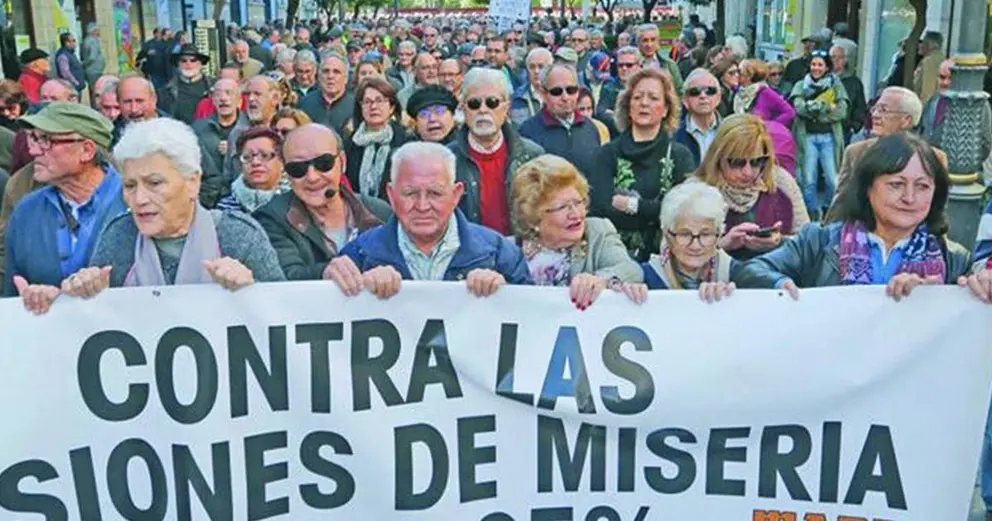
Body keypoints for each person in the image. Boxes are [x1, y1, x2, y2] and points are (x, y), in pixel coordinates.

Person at [49, 118, 284, 308]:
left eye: (154, 183)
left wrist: (251, 291)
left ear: (192, 183)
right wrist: (83, 293)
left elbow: (281, 316)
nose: (139, 199)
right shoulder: (119, 235)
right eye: (130, 185)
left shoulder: (240, 236)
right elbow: (94, 321)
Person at [736, 132, 971, 301]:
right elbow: (750, 271)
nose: (910, 198)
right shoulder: (819, 242)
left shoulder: (955, 260)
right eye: (896, 185)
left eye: (922, 187)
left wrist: (933, 296)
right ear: (868, 187)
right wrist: (783, 286)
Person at [325, 141, 532, 299]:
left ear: (456, 195)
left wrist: (503, 293)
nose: (422, 206)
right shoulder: (359, 256)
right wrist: (341, 281)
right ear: (391, 195)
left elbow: (533, 321)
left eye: (435, 193)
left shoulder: (499, 255)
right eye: (410, 193)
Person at [4, 102, 125, 311]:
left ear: (86, 150)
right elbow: (12, 295)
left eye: (46, 140)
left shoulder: (132, 202)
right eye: (33, 138)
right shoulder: (26, 211)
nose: (33, 150)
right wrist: (33, 298)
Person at [254, 124, 389, 281]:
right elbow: (284, 277)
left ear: (342, 162)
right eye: (297, 169)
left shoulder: (380, 212)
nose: (312, 177)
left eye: (324, 163)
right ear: (287, 174)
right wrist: (324, 272)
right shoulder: (271, 219)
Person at [590, 68, 696, 262]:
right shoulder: (607, 154)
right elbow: (600, 210)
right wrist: (656, 211)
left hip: (667, 261)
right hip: (616, 258)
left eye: (653, 98)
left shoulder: (680, 155)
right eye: (637, 97)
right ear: (628, 106)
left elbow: (682, 212)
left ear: (666, 109)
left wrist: (633, 205)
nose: (644, 103)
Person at [510, 154, 642, 308]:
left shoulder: (597, 231)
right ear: (533, 217)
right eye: (562, 207)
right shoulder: (509, 249)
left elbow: (631, 270)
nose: (576, 214)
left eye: (578, 202)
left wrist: (601, 280)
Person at [692, 115, 808, 261]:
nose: (747, 172)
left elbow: (807, 242)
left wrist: (780, 243)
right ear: (718, 157)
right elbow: (676, 254)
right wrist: (722, 245)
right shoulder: (695, 191)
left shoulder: (780, 181)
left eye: (757, 162)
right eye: (736, 162)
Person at [827, 86, 950, 221]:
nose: (875, 115)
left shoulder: (933, 157)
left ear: (906, 120)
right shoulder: (856, 152)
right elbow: (840, 201)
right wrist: (828, 230)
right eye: (874, 109)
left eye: (883, 110)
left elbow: (938, 208)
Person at [449, 67, 543, 236]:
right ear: (463, 108)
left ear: (507, 108)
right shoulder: (447, 160)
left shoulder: (532, 156)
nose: (483, 110)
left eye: (492, 102)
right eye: (474, 103)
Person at [636, 181, 738, 302]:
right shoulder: (643, 277)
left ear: (719, 234)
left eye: (705, 234)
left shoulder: (735, 272)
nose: (695, 246)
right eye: (685, 234)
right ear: (667, 234)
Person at [790, 49, 849, 218]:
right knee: (808, 179)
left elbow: (841, 112)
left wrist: (817, 112)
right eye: (813, 64)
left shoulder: (836, 85)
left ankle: (830, 212)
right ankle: (812, 214)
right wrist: (826, 108)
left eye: (820, 65)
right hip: (807, 138)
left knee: (832, 179)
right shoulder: (801, 85)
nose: (816, 68)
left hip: (828, 138)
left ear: (826, 67)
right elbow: (799, 108)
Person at [518, 62, 601, 179]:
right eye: (556, 92)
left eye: (571, 90)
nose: (565, 97)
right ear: (543, 93)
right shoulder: (528, 131)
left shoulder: (590, 128)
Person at [345, 77, 412, 200]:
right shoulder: (351, 143)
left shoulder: (406, 142)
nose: (373, 106)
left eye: (379, 100)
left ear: (391, 107)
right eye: (367, 102)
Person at [734, 59, 798, 174]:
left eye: (741, 73)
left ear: (749, 76)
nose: (738, 75)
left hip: (762, 143)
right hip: (743, 141)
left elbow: (789, 112)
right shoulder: (740, 94)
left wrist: (770, 126)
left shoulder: (765, 92)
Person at [216, 127, 291, 213]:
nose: (255, 162)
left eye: (264, 155)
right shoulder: (225, 209)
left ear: (281, 160)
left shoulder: (297, 201)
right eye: (247, 157)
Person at [298, 52, 354, 137]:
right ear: (319, 76)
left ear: (346, 78)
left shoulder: (355, 106)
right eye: (326, 71)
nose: (330, 76)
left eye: (336, 72)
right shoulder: (304, 104)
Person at [675, 68, 723, 165]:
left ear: (719, 98)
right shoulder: (673, 134)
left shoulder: (730, 132)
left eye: (709, 91)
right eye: (695, 92)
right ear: (685, 100)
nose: (703, 96)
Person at [158, 44, 213, 125]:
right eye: (183, 61)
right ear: (178, 64)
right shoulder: (164, 92)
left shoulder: (215, 87)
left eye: (193, 60)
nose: (188, 63)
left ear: (200, 63)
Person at [509, 47, 552, 125]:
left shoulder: (560, 94)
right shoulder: (516, 97)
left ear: (550, 68)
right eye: (532, 67)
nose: (536, 71)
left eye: (541, 67)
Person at [914, 31, 946, 105]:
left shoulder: (930, 61)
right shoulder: (940, 58)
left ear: (930, 45)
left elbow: (927, 91)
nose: (920, 45)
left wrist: (922, 108)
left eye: (923, 42)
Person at [81, 23, 106, 100]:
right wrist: (83, 64)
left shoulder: (90, 40)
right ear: (93, 31)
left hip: (94, 70)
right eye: (97, 30)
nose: (99, 32)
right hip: (94, 70)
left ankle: (95, 104)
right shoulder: (92, 41)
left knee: (95, 90)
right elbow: (92, 57)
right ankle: (96, 105)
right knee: (96, 91)